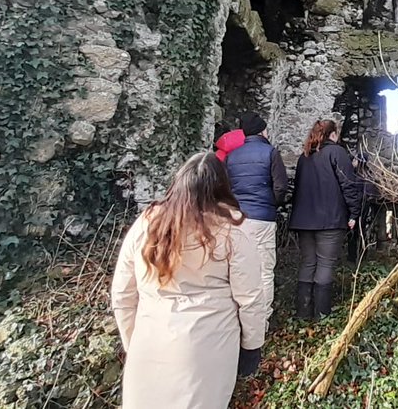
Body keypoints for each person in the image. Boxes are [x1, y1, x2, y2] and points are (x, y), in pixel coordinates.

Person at [110, 152, 265, 408]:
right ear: (221, 186)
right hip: (206, 349)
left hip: (149, 341)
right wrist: (252, 346)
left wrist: (133, 340)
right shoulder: (231, 231)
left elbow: (123, 294)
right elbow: (250, 298)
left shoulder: (147, 224)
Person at [290, 119, 362, 319]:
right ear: (333, 134)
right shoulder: (337, 153)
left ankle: (303, 313)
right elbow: (349, 185)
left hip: (304, 221)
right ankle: (322, 315)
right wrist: (354, 213)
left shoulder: (304, 157)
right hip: (330, 219)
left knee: (308, 263)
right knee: (325, 264)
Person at [224, 111, 289, 331]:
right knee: (264, 270)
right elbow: (281, 186)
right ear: (262, 130)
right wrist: (270, 204)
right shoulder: (270, 152)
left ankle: (238, 319)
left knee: (239, 269)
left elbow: (225, 188)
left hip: (237, 220)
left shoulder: (232, 156)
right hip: (262, 219)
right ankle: (261, 321)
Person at [347, 150, 383, 263]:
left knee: (355, 233)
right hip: (364, 208)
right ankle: (360, 256)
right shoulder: (369, 174)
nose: (353, 161)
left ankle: (354, 257)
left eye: (355, 159)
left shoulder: (357, 175)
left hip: (360, 207)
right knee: (359, 233)